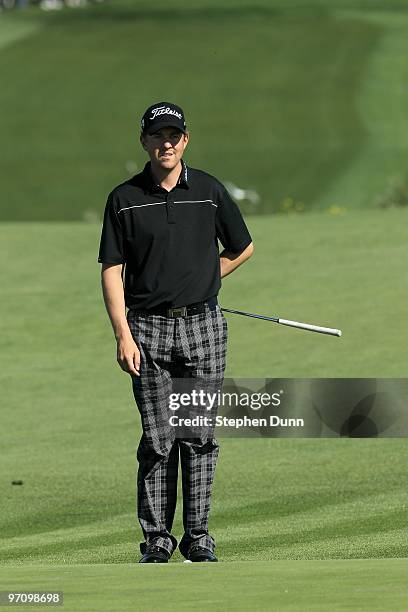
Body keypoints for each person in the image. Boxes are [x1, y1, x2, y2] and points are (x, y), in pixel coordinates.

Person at [98, 102, 253, 563]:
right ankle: (157, 540)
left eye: (173, 135)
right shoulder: (123, 198)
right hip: (146, 330)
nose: (165, 143)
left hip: (203, 326)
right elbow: (111, 269)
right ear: (143, 142)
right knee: (158, 438)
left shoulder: (207, 191)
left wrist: (207, 277)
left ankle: (199, 536)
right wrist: (122, 333)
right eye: (157, 136)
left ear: (185, 140)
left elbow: (242, 247)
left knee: (199, 434)